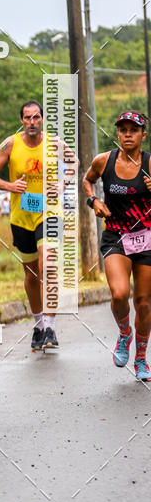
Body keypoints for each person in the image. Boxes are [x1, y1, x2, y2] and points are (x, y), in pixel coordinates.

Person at [0, 101, 65, 352]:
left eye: (36, 117)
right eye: (27, 117)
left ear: (42, 119)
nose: (32, 121)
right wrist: (9, 186)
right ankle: (38, 324)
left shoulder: (54, 143)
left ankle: (51, 325)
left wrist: (63, 184)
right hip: (21, 217)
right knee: (32, 274)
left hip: (49, 214)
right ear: (21, 120)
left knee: (48, 265)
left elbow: (73, 163)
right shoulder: (11, 144)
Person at [83, 110, 151, 381]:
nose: (127, 134)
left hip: (146, 237)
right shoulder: (104, 161)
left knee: (144, 303)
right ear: (118, 134)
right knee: (120, 293)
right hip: (116, 237)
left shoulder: (150, 163)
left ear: (142, 135)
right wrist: (94, 201)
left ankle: (141, 358)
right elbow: (87, 180)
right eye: (123, 130)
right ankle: (125, 334)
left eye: (133, 130)